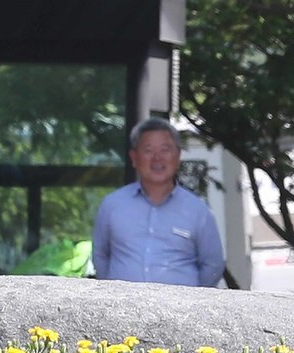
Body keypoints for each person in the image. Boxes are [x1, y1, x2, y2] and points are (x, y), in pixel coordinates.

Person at [92, 118, 225, 287]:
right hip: (122, 309)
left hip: (180, 310)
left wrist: (191, 299)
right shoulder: (112, 205)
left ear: (177, 156)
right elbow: (100, 256)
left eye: (165, 149)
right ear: (134, 157)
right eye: (148, 150)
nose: (157, 158)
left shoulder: (198, 211)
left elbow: (213, 265)